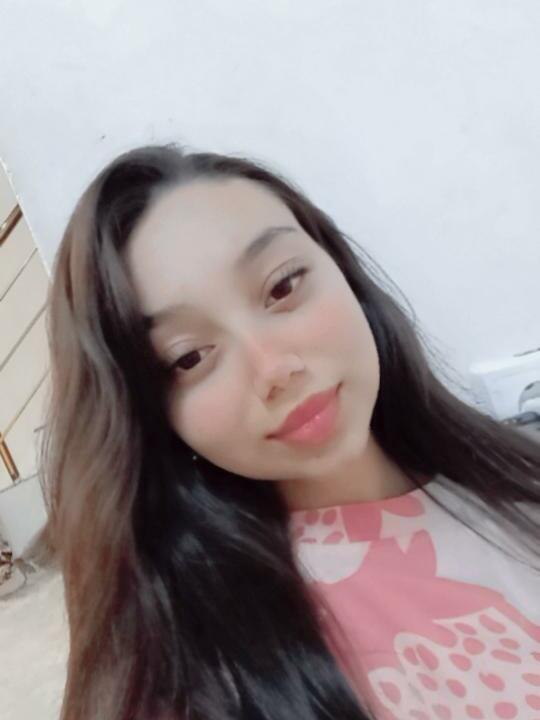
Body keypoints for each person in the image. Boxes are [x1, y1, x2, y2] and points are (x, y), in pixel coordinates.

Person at [39, 143, 540, 720]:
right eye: (189, 357)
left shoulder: (510, 475)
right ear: (152, 416)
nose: (275, 368)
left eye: (282, 287)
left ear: (339, 266)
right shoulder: (200, 679)